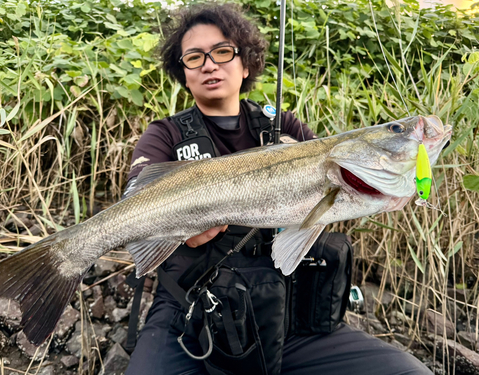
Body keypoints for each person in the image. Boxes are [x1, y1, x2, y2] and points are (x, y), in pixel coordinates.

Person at [124, 3, 432, 375]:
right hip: (188, 312)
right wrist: (178, 231)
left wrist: (398, 186)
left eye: (222, 52)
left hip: (282, 310)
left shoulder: (286, 128)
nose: (209, 65)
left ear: (246, 63)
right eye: (194, 57)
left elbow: (336, 199)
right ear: (183, 72)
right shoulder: (165, 134)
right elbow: (135, 200)